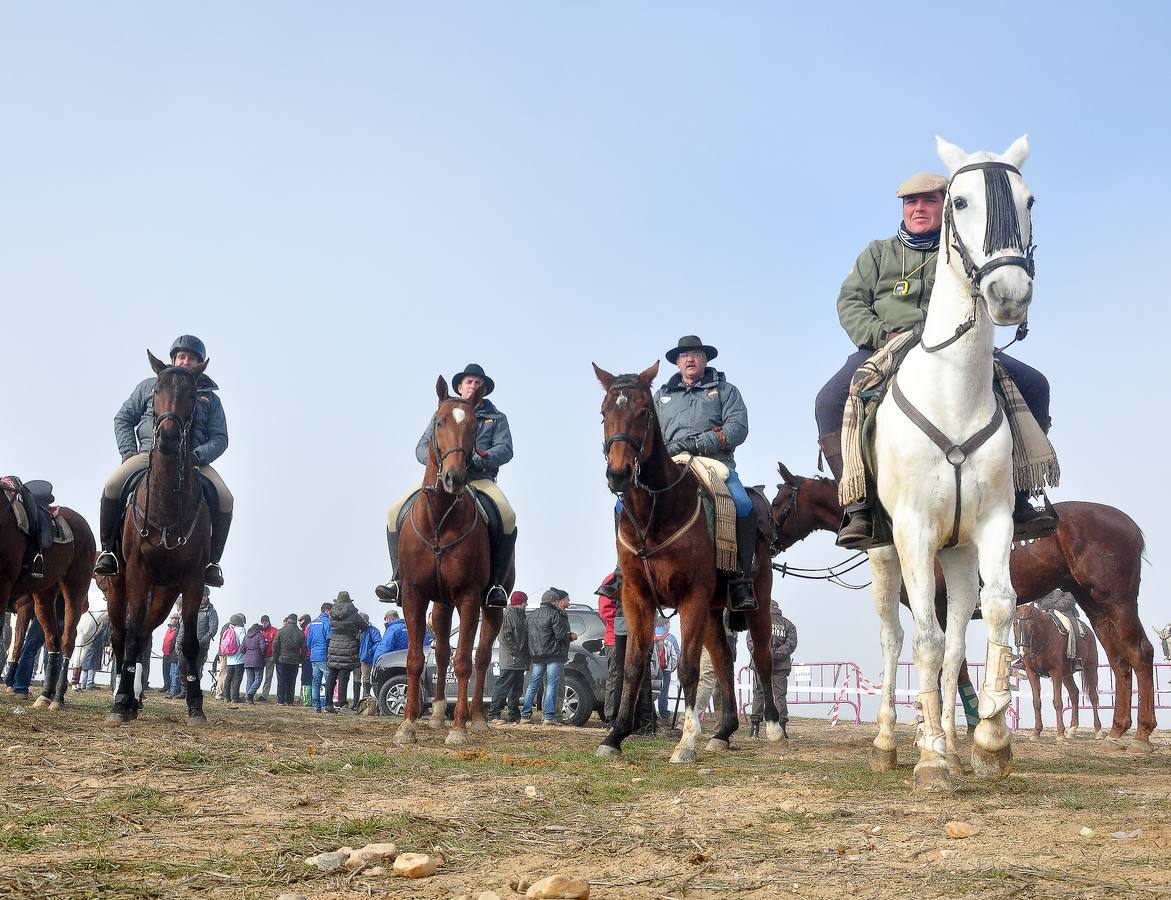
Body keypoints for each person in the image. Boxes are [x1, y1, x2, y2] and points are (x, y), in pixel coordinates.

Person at [815, 173, 1057, 548]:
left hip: (955, 345)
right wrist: (881, 335)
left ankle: (1020, 496)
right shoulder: (878, 253)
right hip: (886, 344)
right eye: (911, 203)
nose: (918, 209)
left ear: (944, 205)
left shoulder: (964, 251)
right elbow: (850, 302)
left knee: (1034, 386)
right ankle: (859, 505)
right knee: (829, 401)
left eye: (928, 201)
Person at [93, 335, 235, 587]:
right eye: (181, 357)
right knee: (112, 486)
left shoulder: (210, 399)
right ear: (172, 360)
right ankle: (109, 552)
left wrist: (198, 456)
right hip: (147, 455)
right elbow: (123, 419)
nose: (185, 361)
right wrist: (129, 452)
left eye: (191, 358)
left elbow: (220, 437)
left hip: (193, 461)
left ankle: (212, 562)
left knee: (225, 498)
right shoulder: (149, 386)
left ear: (199, 365)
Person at [376, 363, 517, 608]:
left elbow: (505, 450)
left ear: (482, 391)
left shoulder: (496, 418)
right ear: (460, 386)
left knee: (507, 516)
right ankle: (397, 578)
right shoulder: (442, 412)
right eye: (469, 382)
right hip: (441, 478)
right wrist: (441, 460)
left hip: (479, 480)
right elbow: (422, 447)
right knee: (393, 513)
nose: (473, 386)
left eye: (478, 384)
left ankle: (495, 584)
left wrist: (476, 459)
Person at [595, 572, 656, 732]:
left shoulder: (647, 574)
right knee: (617, 676)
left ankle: (639, 720)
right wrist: (624, 625)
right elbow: (605, 609)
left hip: (636, 635)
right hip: (616, 638)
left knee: (637, 678)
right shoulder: (613, 578)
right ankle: (611, 718)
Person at [520, 588, 574, 725]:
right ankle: (549, 717)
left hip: (537, 656)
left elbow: (527, 636)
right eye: (556, 601)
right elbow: (561, 635)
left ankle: (525, 716)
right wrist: (571, 636)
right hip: (553, 656)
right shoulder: (555, 615)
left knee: (533, 685)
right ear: (553, 601)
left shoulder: (531, 615)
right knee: (551, 685)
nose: (557, 604)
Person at [747, 601, 797, 738]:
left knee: (759, 694)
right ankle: (782, 730)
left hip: (760, 665)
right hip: (780, 667)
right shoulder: (788, 625)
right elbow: (791, 644)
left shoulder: (757, 622)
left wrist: (765, 655)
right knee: (780, 697)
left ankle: (755, 730)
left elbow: (751, 643)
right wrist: (776, 655)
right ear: (778, 609)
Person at [489, 591, 529, 723]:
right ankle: (494, 714)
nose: (526, 604)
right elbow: (505, 636)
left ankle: (514, 715)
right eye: (525, 601)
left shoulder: (521, 616)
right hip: (510, 659)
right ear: (521, 602)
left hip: (519, 660)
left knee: (516, 689)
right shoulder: (508, 615)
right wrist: (516, 652)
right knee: (503, 686)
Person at [322, 592, 362, 714]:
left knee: (331, 677)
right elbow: (364, 626)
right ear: (349, 601)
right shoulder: (353, 614)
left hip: (334, 646)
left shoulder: (331, 614)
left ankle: (328, 704)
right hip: (348, 647)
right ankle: (342, 703)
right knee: (344, 677)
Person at [174, 589, 219, 699]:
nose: (203, 598)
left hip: (200, 646)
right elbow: (183, 626)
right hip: (186, 644)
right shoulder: (190, 609)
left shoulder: (211, 612)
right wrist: (179, 641)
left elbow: (212, 629)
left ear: (207, 596)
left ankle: (193, 691)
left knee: (196, 669)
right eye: (201, 595)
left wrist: (202, 641)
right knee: (182, 667)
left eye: (205, 596)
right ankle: (184, 689)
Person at [271, 614, 306, 705]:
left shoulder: (281, 631)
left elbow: (275, 646)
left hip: (282, 660)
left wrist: (275, 658)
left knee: (281, 680)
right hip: (294, 660)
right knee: (292, 680)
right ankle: (290, 700)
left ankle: (280, 701)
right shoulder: (300, 633)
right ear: (295, 621)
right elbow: (305, 648)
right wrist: (300, 659)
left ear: (288, 620)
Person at [305, 602, 332, 712]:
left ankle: (316, 706)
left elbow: (308, 642)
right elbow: (329, 638)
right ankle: (327, 705)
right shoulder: (327, 622)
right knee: (329, 681)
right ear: (327, 610)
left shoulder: (311, 624)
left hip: (314, 656)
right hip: (323, 656)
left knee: (316, 682)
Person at [653, 617, 680, 720]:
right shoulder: (671, 638)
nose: (670, 626)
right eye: (669, 624)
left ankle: (651, 712)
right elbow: (676, 656)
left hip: (653, 668)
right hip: (665, 669)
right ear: (665, 624)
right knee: (664, 690)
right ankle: (664, 713)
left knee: (651, 689)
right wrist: (671, 668)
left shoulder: (651, 635)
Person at [220, 613, 247, 703]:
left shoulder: (230, 629)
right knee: (237, 678)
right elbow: (243, 643)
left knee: (228, 678)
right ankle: (235, 698)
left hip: (230, 659)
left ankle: (227, 697)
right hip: (239, 659)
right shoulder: (241, 630)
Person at [356, 612, 382, 705]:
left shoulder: (372, 630)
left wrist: (370, 651)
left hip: (366, 657)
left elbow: (378, 642)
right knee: (357, 678)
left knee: (366, 677)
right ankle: (357, 701)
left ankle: (365, 696)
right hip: (357, 657)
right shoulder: (359, 630)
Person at [242, 622, 268, 703]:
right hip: (257, 660)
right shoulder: (259, 636)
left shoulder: (246, 637)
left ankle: (248, 698)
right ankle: (249, 694)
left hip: (247, 660)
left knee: (250, 679)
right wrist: (262, 654)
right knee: (258, 679)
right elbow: (263, 647)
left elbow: (241, 649)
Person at [258, 615, 278, 701]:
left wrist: (275, 656)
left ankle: (264, 695)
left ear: (269, 622)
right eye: (262, 622)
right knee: (258, 676)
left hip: (270, 657)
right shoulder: (260, 631)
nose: (263, 624)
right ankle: (253, 692)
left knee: (268, 677)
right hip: (260, 657)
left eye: (265, 622)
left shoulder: (275, 631)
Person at [160, 612, 180, 695]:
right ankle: (166, 686)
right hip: (166, 653)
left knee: (172, 672)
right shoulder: (169, 628)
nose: (173, 620)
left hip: (173, 654)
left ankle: (172, 688)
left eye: (175, 619)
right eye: (172, 618)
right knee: (165, 671)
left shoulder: (178, 629)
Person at [297, 614, 313, 707]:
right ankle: (305, 698)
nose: (299, 623)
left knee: (306, 678)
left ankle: (306, 699)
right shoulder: (306, 629)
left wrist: (302, 656)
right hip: (308, 656)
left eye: (301, 621)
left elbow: (306, 644)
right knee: (307, 678)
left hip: (307, 656)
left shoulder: (307, 628)